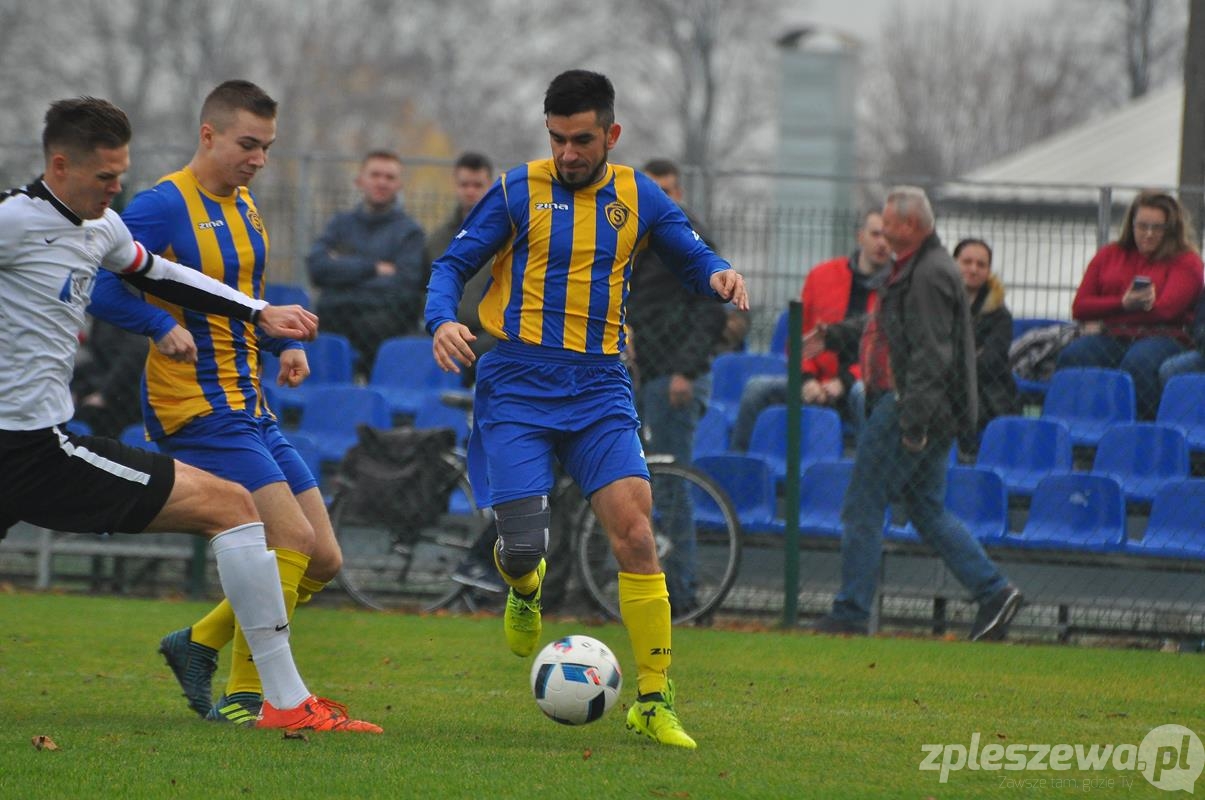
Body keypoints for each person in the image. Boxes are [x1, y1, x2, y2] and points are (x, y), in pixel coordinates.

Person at [0, 96, 378, 733]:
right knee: (238, 510)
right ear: (59, 166)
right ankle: (277, 701)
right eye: (105, 178)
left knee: (299, 543)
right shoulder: (14, 220)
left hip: (57, 441)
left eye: (122, 175)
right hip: (36, 446)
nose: (118, 190)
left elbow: (164, 273)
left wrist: (261, 317)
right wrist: (157, 328)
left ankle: (228, 664)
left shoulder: (105, 226)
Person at [425, 70, 748, 749]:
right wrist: (438, 320)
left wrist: (716, 272)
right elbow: (451, 265)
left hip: (599, 387)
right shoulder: (515, 189)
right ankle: (523, 585)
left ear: (611, 135)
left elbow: (688, 255)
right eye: (557, 139)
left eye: (581, 140)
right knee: (519, 548)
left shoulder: (638, 193)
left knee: (635, 532)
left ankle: (654, 701)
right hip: (514, 382)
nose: (567, 153)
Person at [806, 186, 1022, 641]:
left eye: (889, 221)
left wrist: (914, 425)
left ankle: (850, 611)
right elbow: (885, 326)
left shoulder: (927, 274)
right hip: (926, 407)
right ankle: (994, 592)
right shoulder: (916, 269)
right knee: (926, 508)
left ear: (911, 226)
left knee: (863, 503)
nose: (883, 229)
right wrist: (836, 335)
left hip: (908, 404)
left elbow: (930, 355)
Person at [626, 157, 728, 616]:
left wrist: (685, 372)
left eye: (669, 190)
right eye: (655, 191)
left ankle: (684, 593)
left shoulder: (689, 242)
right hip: (651, 376)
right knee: (654, 486)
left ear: (679, 194)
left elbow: (711, 311)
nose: (663, 198)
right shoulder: (642, 241)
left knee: (670, 486)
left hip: (676, 380)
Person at [729, 209, 891, 452]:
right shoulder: (822, 276)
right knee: (756, 389)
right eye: (876, 234)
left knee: (861, 395)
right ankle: (738, 469)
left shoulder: (898, 287)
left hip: (861, 384)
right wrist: (806, 380)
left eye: (888, 237)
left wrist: (844, 381)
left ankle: (869, 471)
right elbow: (800, 337)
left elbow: (887, 351)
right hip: (817, 381)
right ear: (860, 237)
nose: (882, 243)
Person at [1056, 190, 1203, 419]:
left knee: (1138, 363)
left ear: (1171, 229)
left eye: (1157, 228)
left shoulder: (1187, 262)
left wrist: (1108, 314)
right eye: (1142, 226)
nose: (1148, 234)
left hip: (1165, 337)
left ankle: (1143, 432)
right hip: (1113, 336)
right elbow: (1080, 307)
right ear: (1131, 224)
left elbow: (1165, 311)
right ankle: (1073, 429)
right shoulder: (1109, 254)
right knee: (1074, 356)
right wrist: (1123, 304)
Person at [306, 150, 427, 371]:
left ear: (400, 184)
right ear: (360, 180)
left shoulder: (410, 233)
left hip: (384, 328)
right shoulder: (340, 225)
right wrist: (372, 268)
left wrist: (343, 274)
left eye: (389, 177)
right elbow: (317, 268)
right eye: (375, 175)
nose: (382, 182)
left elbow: (406, 284)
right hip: (334, 321)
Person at [425, 152, 497, 387]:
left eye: (478, 185)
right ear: (456, 186)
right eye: (465, 184)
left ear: (490, 186)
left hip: (490, 333)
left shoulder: (507, 238)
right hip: (446, 328)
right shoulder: (437, 239)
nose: (470, 191)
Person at [953, 238, 1018, 458]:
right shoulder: (939, 305)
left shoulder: (1000, 316)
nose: (973, 269)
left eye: (981, 264)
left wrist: (954, 360)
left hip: (989, 394)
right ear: (954, 264)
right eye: (967, 262)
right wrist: (971, 354)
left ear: (988, 270)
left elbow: (990, 360)